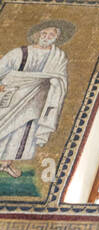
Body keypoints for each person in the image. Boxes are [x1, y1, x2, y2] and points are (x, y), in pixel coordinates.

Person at [0, 22, 68, 178]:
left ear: (57, 37)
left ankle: (7, 163)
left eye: (52, 35)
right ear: (38, 34)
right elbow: (2, 69)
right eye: (44, 33)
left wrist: (53, 82)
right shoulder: (20, 52)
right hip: (14, 95)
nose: (47, 37)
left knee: (24, 130)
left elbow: (60, 77)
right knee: (4, 126)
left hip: (38, 100)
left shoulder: (58, 56)